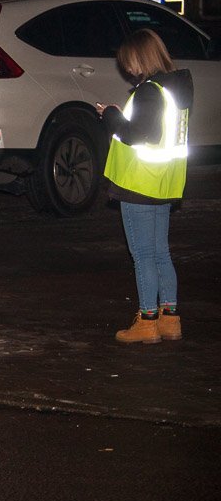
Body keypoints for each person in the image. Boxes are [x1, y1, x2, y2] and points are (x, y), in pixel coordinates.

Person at [95, 28, 191, 344]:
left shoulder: (149, 92)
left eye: (129, 62)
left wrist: (111, 115)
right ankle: (170, 319)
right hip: (163, 181)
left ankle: (147, 321)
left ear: (140, 57)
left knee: (143, 255)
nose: (127, 69)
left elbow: (138, 134)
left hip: (139, 182)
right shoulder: (174, 90)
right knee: (161, 252)